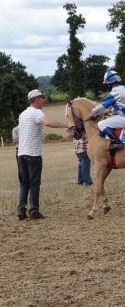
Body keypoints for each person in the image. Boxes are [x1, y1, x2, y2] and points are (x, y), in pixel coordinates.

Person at [17, 89, 71, 220]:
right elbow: (47, 123)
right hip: (33, 154)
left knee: (25, 183)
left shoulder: (23, 114)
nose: (43, 101)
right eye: (42, 99)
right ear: (36, 99)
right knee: (34, 183)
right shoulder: (37, 112)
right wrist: (66, 125)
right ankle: (34, 211)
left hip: (21, 153)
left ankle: (21, 209)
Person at [90, 69, 125, 151]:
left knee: (101, 124)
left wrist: (93, 113)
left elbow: (101, 107)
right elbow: (124, 104)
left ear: (108, 84)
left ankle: (117, 142)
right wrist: (110, 110)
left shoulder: (113, 93)